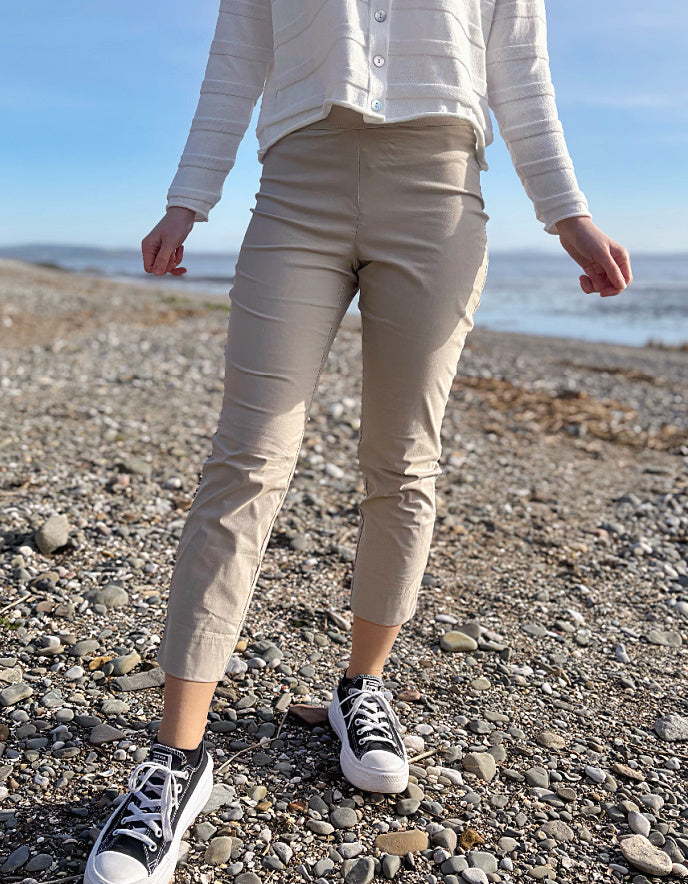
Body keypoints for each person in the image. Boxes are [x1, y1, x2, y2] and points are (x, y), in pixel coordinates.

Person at [85, 2, 632, 882]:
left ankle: (360, 687)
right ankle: (177, 760)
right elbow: (235, 62)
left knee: (405, 460)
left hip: (441, 188)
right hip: (297, 181)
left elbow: (520, 73)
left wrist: (568, 215)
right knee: (247, 459)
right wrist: (188, 199)